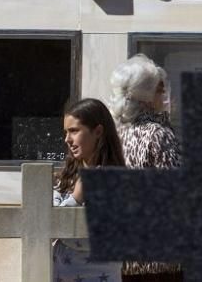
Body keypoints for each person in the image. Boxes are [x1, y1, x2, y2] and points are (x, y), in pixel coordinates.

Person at [108, 54, 183, 282]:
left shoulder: (118, 133)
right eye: (161, 89)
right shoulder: (158, 134)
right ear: (148, 96)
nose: (166, 95)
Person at [52, 98, 125, 282]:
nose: (67, 139)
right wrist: (77, 197)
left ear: (98, 131)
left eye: (74, 131)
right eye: (66, 132)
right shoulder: (64, 179)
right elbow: (52, 227)